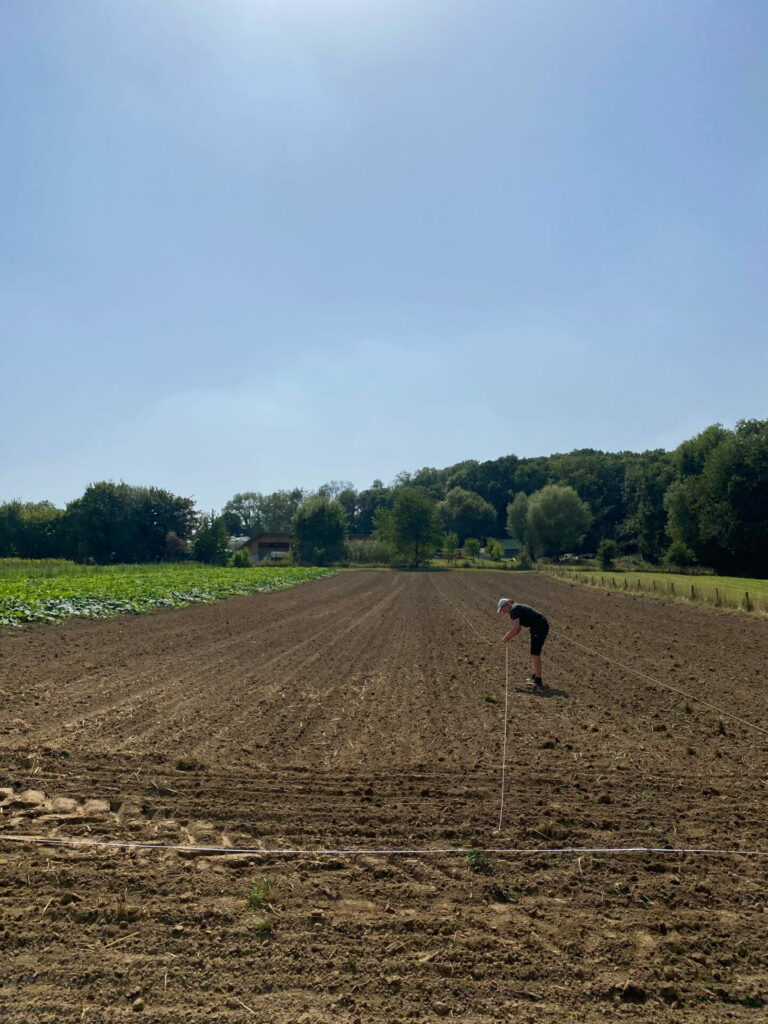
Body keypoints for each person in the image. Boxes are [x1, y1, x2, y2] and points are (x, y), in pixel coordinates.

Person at [497, 597, 549, 689]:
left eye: (502, 609)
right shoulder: (514, 608)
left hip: (540, 626)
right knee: (534, 653)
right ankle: (534, 676)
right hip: (536, 626)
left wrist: (506, 637)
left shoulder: (514, 609)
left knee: (535, 653)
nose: (503, 612)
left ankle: (538, 680)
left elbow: (516, 628)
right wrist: (509, 637)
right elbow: (518, 629)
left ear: (506, 605)